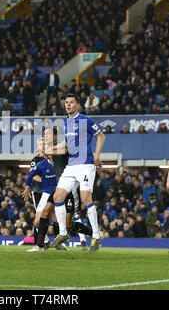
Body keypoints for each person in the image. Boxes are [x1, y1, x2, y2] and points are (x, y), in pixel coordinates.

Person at [47, 93, 106, 252]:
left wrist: (97, 156)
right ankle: (63, 233)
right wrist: (49, 149)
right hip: (71, 166)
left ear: (77, 105)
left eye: (71, 102)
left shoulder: (85, 120)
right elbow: (66, 145)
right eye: (66, 102)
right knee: (57, 196)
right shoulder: (66, 123)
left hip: (86, 165)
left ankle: (96, 235)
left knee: (86, 198)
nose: (68, 105)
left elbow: (101, 136)